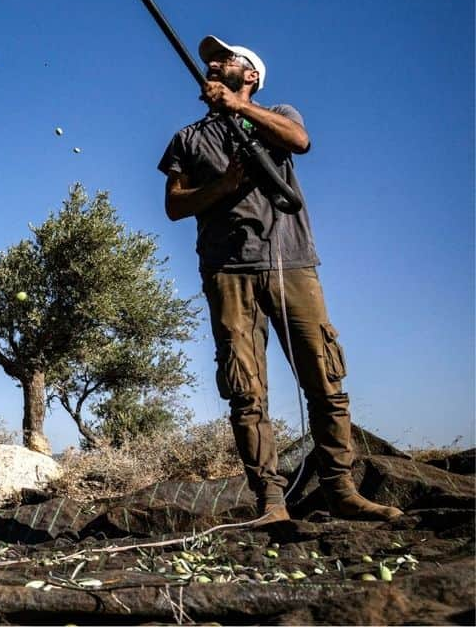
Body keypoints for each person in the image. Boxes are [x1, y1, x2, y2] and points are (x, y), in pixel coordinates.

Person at [158, 35, 402, 523]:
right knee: (245, 388)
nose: (212, 63)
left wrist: (237, 109)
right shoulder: (186, 138)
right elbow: (173, 205)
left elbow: (299, 141)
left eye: (224, 58)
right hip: (227, 270)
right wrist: (223, 186)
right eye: (209, 60)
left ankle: (340, 488)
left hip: (291, 263)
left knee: (324, 376)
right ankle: (271, 501)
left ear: (249, 76)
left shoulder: (279, 113)